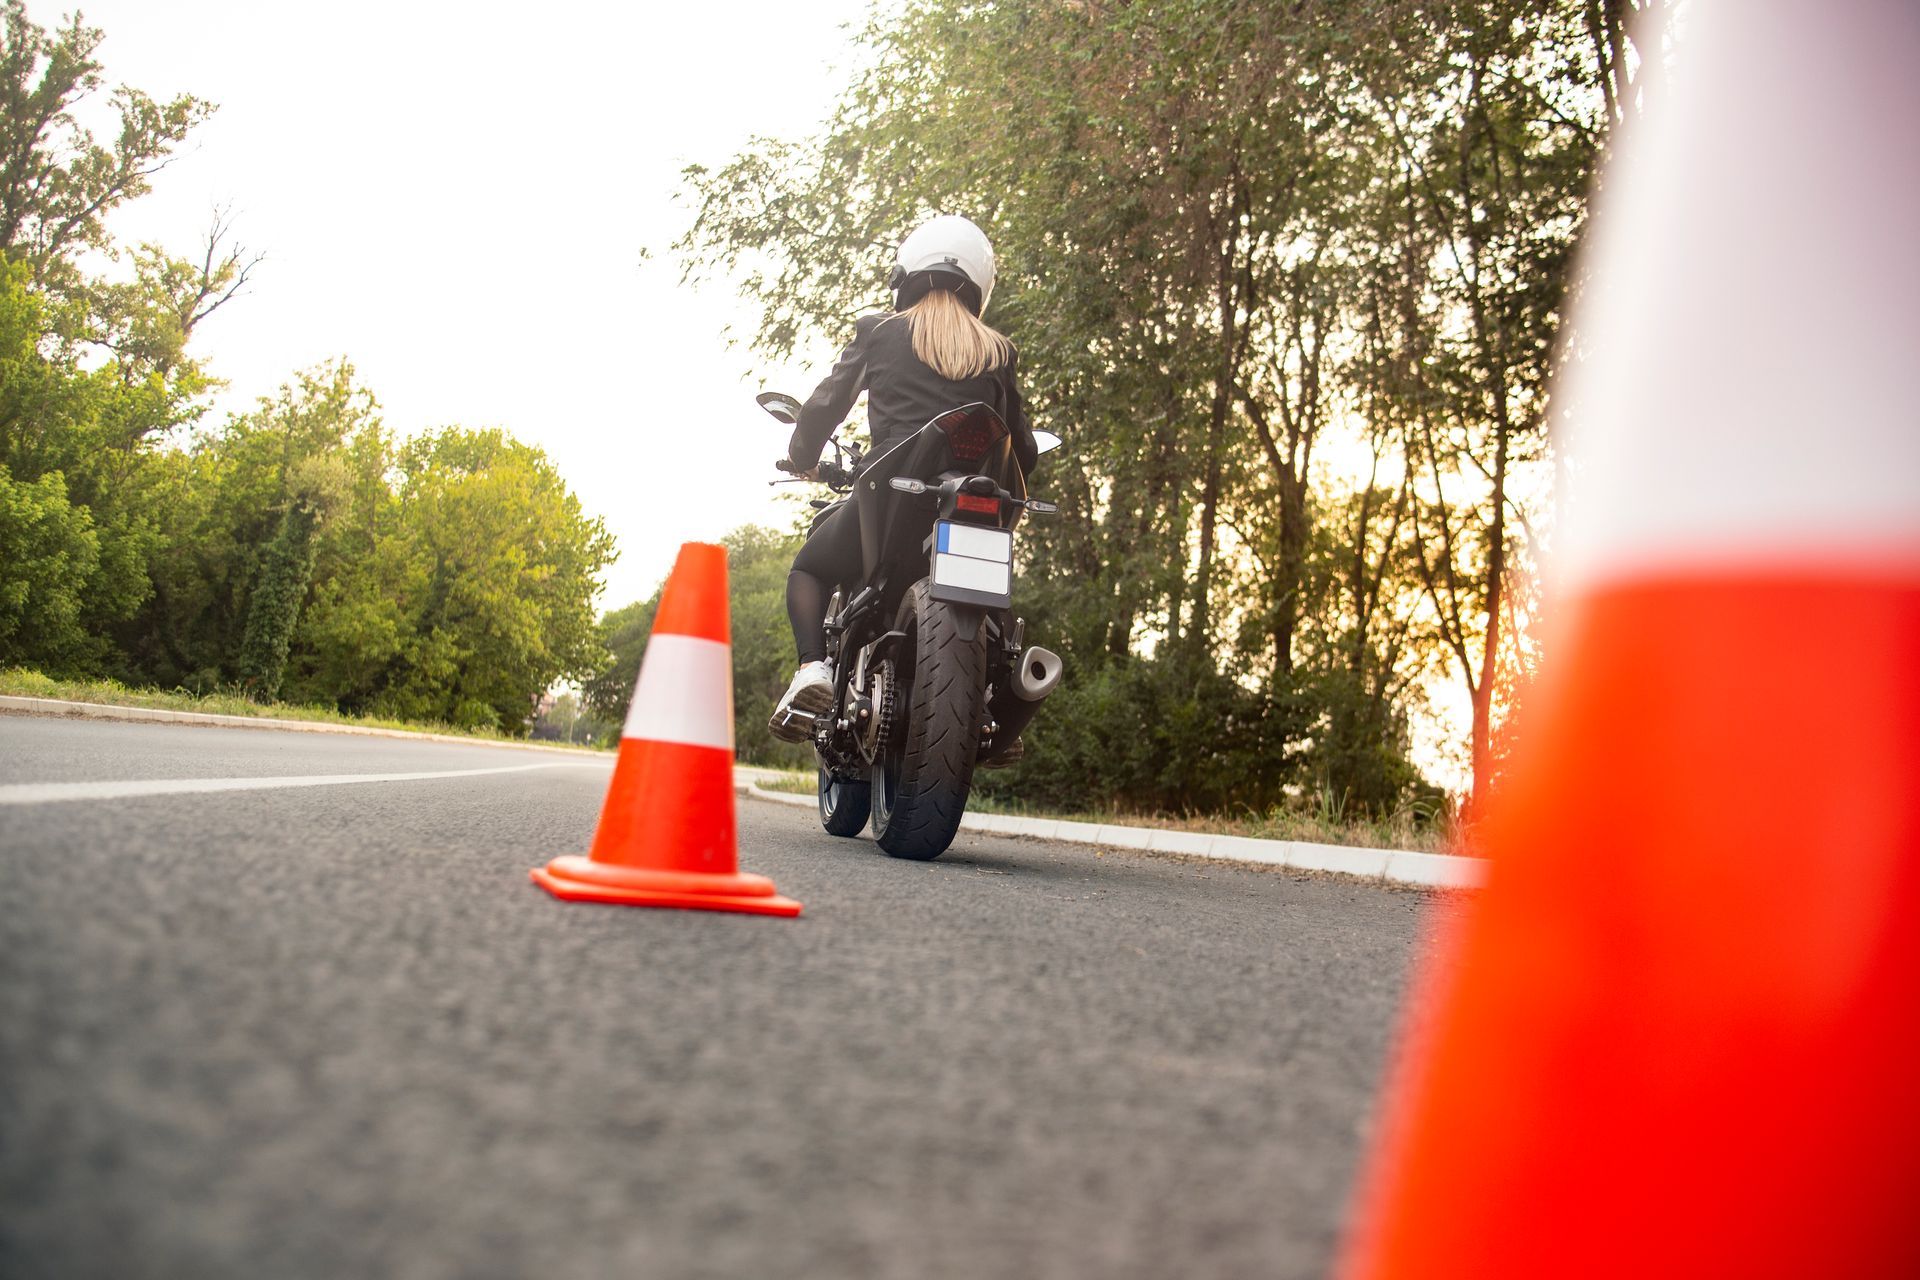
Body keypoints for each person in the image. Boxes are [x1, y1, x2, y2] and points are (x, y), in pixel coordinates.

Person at [768, 214, 1038, 742]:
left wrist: (802, 454)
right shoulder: (998, 350)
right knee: (999, 612)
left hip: (889, 501)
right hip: (973, 506)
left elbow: (825, 407)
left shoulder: (880, 332)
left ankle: (812, 670)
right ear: (978, 284)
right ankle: (1000, 709)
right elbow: (1022, 449)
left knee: (809, 570)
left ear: (909, 272)